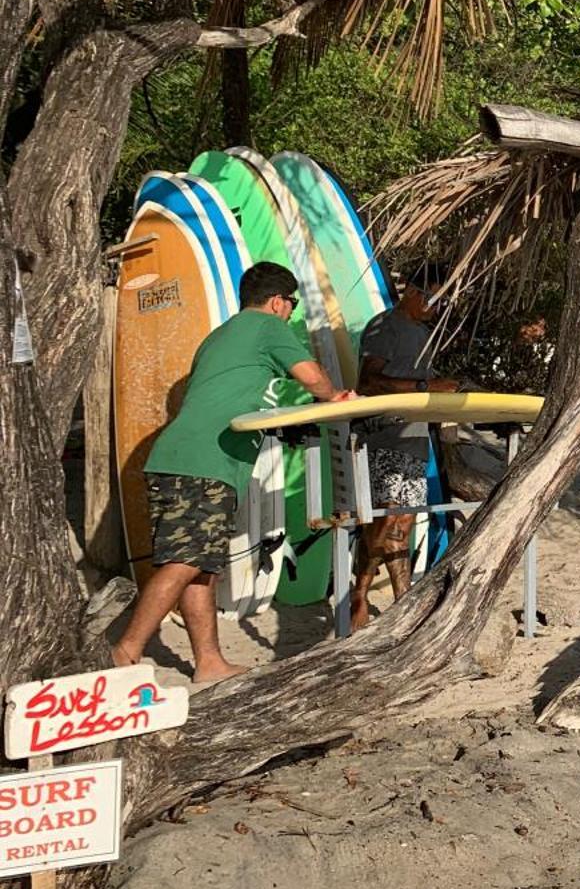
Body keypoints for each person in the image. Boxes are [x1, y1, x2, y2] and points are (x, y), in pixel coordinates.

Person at [113, 262, 352, 681]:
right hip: (205, 463)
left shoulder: (219, 337)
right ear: (278, 302)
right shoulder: (268, 327)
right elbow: (312, 378)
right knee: (185, 561)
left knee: (201, 566)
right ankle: (125, 652)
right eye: (291, 306)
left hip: (179, 458)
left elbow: (229, 398)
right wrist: (335, 397)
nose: (290, 314)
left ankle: (208, 662)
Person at [355, 265, 463, 628]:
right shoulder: (385, 326)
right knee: (386, 519)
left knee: (403, 519)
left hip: (414, 434)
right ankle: (359, 593)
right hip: (386, 431)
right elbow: (368, 381)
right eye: (436, 298)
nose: (439, 306)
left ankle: (402, 603)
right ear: (413, 292)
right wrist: (422, 388)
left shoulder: (422, 332)